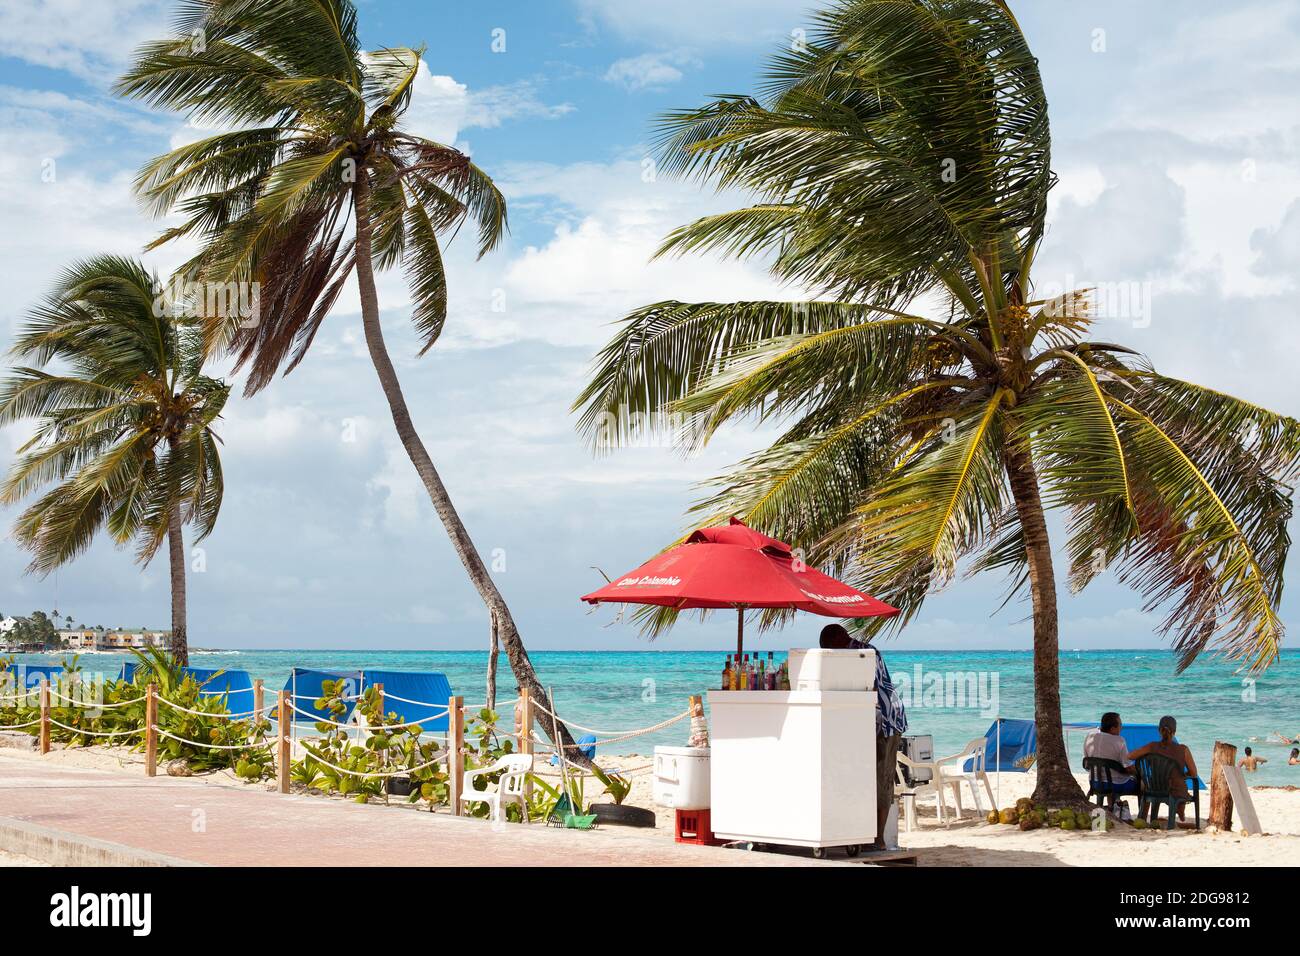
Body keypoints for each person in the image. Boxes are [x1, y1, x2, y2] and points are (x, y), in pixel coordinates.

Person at [819, 622, 906, 851]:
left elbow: (869, 690)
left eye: (830, 648)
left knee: (882, 779)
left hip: (886, 721)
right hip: (870, 721)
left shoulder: (863, 653)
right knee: (863, 779)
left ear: (839, 639)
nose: (832, 653)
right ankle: (862, 833)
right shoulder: (847, 655)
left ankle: (878, 839)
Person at [1128, 715, 1198, 824]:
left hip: (1154, 787)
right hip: (1175, 790)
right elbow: (1193, 773)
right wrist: (1182, 775)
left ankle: (1143, 817)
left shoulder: (1152, 746)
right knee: (1180, 785)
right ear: (1174, 731)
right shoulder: (1183, 749)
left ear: (1159, 731)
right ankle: (1180, 813)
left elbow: (1130, 756)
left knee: (1146, 783)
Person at [1083, 712, 1138, 804]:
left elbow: (1086, 762)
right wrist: (1139, 772)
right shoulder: (1119, 740)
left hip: (1094, 782)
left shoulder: (1090, 737)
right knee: (1141, 786)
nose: (1122, 728)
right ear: (1112, 729)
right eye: (1120, 725)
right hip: (1115, 785)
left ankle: (1111, 807)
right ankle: (1141, 816)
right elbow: (1128, 767)